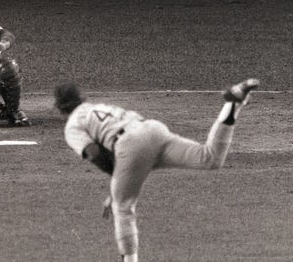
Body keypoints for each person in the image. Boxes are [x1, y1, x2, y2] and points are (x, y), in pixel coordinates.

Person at [54, 78, 260, 262]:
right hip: (153, 130)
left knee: (122, 205)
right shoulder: (93, 107)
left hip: (130, 144)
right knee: (210, 158)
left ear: (61, 108)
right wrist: (119, 181)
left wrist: (116, 182)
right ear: (81, 98)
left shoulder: (72, 125)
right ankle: (232, 103)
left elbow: (93, 153)